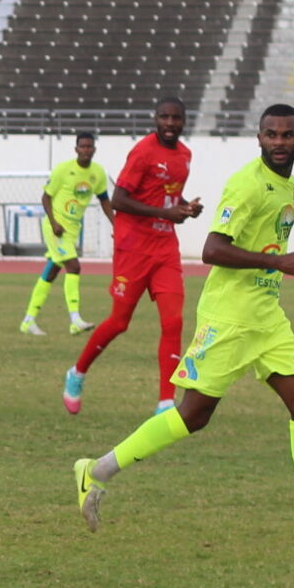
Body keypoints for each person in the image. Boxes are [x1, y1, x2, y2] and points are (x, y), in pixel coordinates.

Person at [74, 106, 294, 549]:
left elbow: (269, 247)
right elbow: (213, 249)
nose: (278, 142)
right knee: (194, 415)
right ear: (258, 138)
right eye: (270, 134)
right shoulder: (246, 184)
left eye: (287, 135)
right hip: (230, 318)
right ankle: (96, 470)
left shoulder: (290, 186)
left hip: (267, 318)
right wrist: (279, 262)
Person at [64, 98, 201, 416]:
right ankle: (77, 373)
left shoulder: (185, 156)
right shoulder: (142, 152)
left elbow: (166, 194)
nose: (169, 123)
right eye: (164, 117)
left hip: (165, 247)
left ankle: (166, 402)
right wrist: (166, 211)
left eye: (176, 118)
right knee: (119, 322)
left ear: (184, 121)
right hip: (133, 247)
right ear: (155, 119)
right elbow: (121, 200)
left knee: (174, 321)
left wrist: (183, 208)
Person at [22, 132, 109, 337]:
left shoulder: (98, 173)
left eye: (90, 147)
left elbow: (104, 199)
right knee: (73, 266)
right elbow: (46, 197)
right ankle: (75, 319)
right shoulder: (64, 170)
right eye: (83, 146)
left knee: (51, 272)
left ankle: (28, 320)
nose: (86, 150)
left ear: (94, 149)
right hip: (56, 228)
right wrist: (53, 223)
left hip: (72, 230)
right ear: (76, 149)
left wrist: (116, 224)